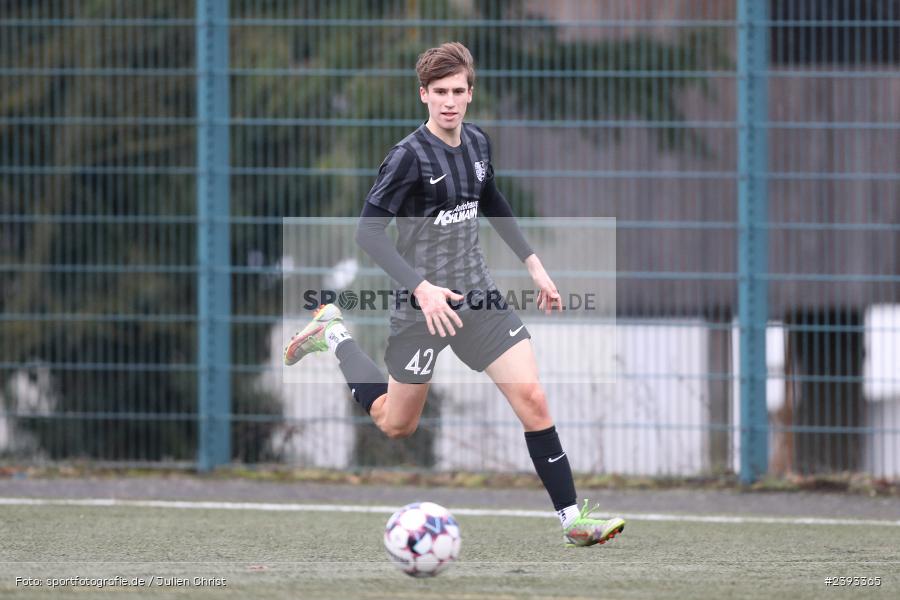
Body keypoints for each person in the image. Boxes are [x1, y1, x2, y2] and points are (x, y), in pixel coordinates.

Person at [285, 42, 624, 547]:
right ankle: (334, 333)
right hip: (422, 311)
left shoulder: (479, 144)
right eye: (439, 92)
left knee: (532, 397)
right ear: (423, 95)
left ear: (471, 93)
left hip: (479, 299)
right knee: (396, 424)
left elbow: (490, 199)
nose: (449, 101)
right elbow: (369, 234)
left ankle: (572, 519)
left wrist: (533, 263)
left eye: (458, 91)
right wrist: (421, 290)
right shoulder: (406, 158)